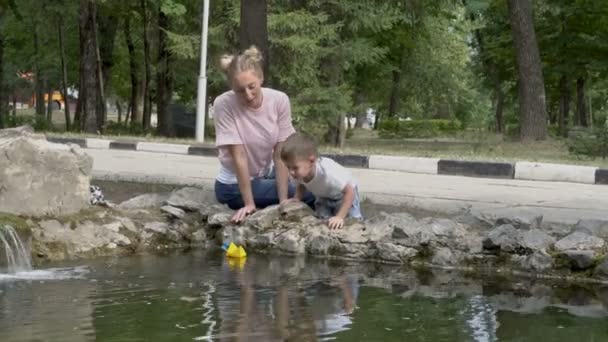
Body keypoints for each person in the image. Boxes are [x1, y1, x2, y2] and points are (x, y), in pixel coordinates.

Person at [213, 46, 313, 223]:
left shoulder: (279, 100)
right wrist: (249, 204)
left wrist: (283, 201)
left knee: (313, 179)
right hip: (232, 185)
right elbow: (240, 157)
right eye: (240, 91)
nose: (248, 95)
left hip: (266, 173)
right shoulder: (223, 104)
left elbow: (280, 154)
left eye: (252, 87)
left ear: (260, 78)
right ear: (232, 88)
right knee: (310, 193)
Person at [280, 133, 363, 229]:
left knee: (351, 221)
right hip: (324, 197)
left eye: (295, 167)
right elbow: (302, 184)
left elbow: (350, 192)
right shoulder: (300, 173)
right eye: (288, 167)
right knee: (322, 221)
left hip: (343, 195)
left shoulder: (328, 173)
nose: (291, 172)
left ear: (311, 161)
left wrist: (340, 217)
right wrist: (297, 198)